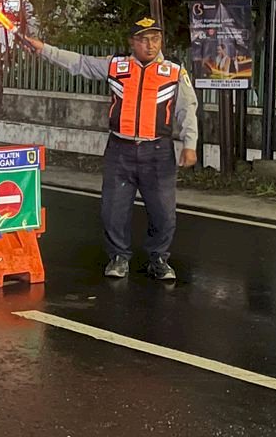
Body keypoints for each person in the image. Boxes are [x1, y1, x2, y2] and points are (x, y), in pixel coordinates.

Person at [15, 16, 198, 281]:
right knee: (113, 208)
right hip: (120, 149)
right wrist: (43, 48)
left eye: (155, 39)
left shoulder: (173, 72)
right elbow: (79, 63)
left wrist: (189, 145)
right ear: (132, 42)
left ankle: (158, 259)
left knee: (163, 211)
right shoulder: (116, 66)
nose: (150, 45)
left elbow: (187, 111)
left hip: (158, 151)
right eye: (144, 40)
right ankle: (119, 257)